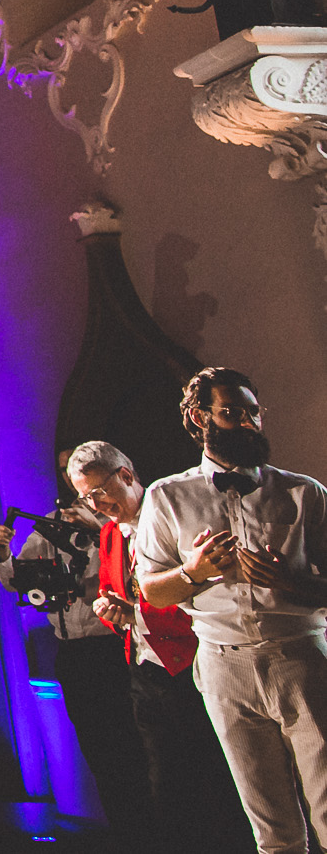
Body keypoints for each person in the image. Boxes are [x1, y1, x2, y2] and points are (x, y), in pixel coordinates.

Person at [136, 366, 327, 854]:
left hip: (301, 656)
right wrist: (193, 573)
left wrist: (289, 581)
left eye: (253, 413)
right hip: (224, 662)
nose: (248, 423)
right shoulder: (167, 496)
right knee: (270, 821)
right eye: (232, 413)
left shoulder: (304, 493)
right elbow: (151, 592)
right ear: (200, 418)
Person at [65, 440, 249, 853]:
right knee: (166, 787)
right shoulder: (111, 533)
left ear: (126, 476)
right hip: (144, 674)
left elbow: (204, 600)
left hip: (197, 666)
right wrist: (111, 609)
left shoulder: (173, 515)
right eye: (86, 498)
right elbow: (114, 591)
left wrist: (137, 615)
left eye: (99, 493)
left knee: (218, 782)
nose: (96, 505)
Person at [0, 461, 143, 828]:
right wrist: (4, 551)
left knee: (130, 747)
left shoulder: (116, 522)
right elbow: (17, 581)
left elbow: (128, 564)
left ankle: (148, 832)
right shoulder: (51, 522)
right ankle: (123, 833)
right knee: (97, 749)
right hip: (72, 653)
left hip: (113, 647)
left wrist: (96, 528)